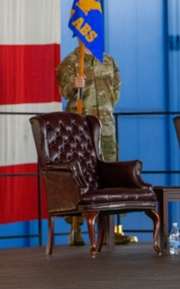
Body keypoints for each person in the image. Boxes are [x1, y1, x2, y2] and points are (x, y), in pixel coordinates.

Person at [55, 48, 134, 245]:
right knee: (80, 176)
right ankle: (76, 227)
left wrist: (105, 110)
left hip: (105, 127)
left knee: (110, 173)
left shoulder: (108, 60)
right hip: (81, 127)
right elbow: (63, 91)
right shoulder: (72, 61)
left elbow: (116, 89)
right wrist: (74, 85)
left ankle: (109, 228)